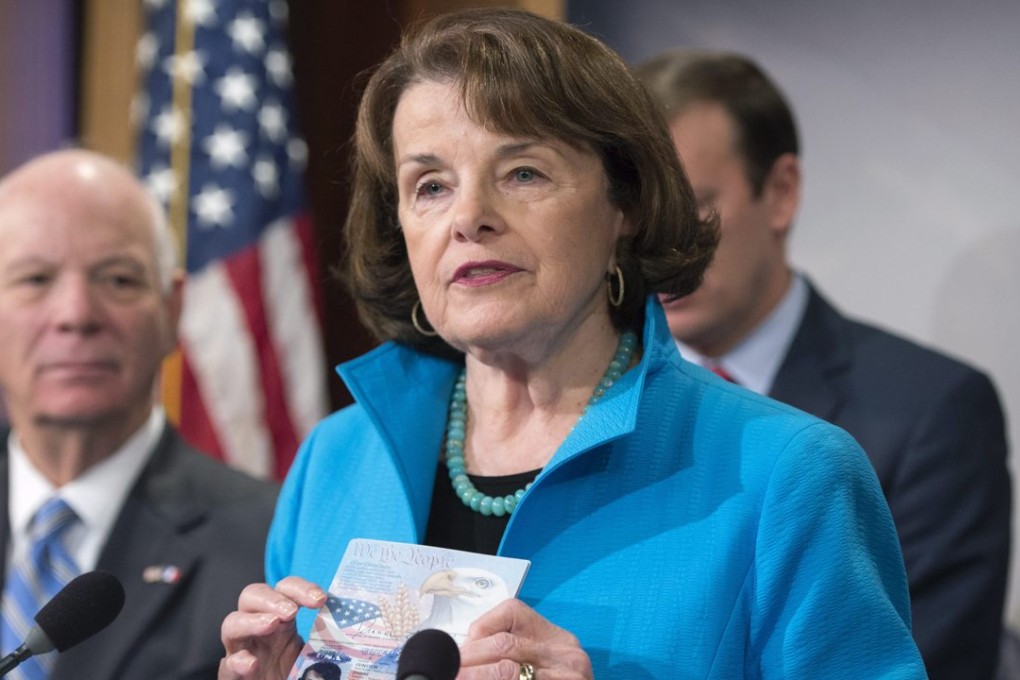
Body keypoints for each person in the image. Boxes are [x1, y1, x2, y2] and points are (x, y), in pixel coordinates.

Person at [218, 9, 927, 679]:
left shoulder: (788, 476)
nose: (469, 217)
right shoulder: (334, 462)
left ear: (627, 203)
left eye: (522, 172)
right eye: (430, 185)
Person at [635, 49, 1011, 680]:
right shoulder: (595, 400)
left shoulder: (933, 413)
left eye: (694, 207)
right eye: (643, 216)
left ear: (780, 193)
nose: (665, 248)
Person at [0, 149, 279, 679]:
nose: (76, 315)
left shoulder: (267, 544)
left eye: (119, 280)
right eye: (35, 279)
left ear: (172, 309)